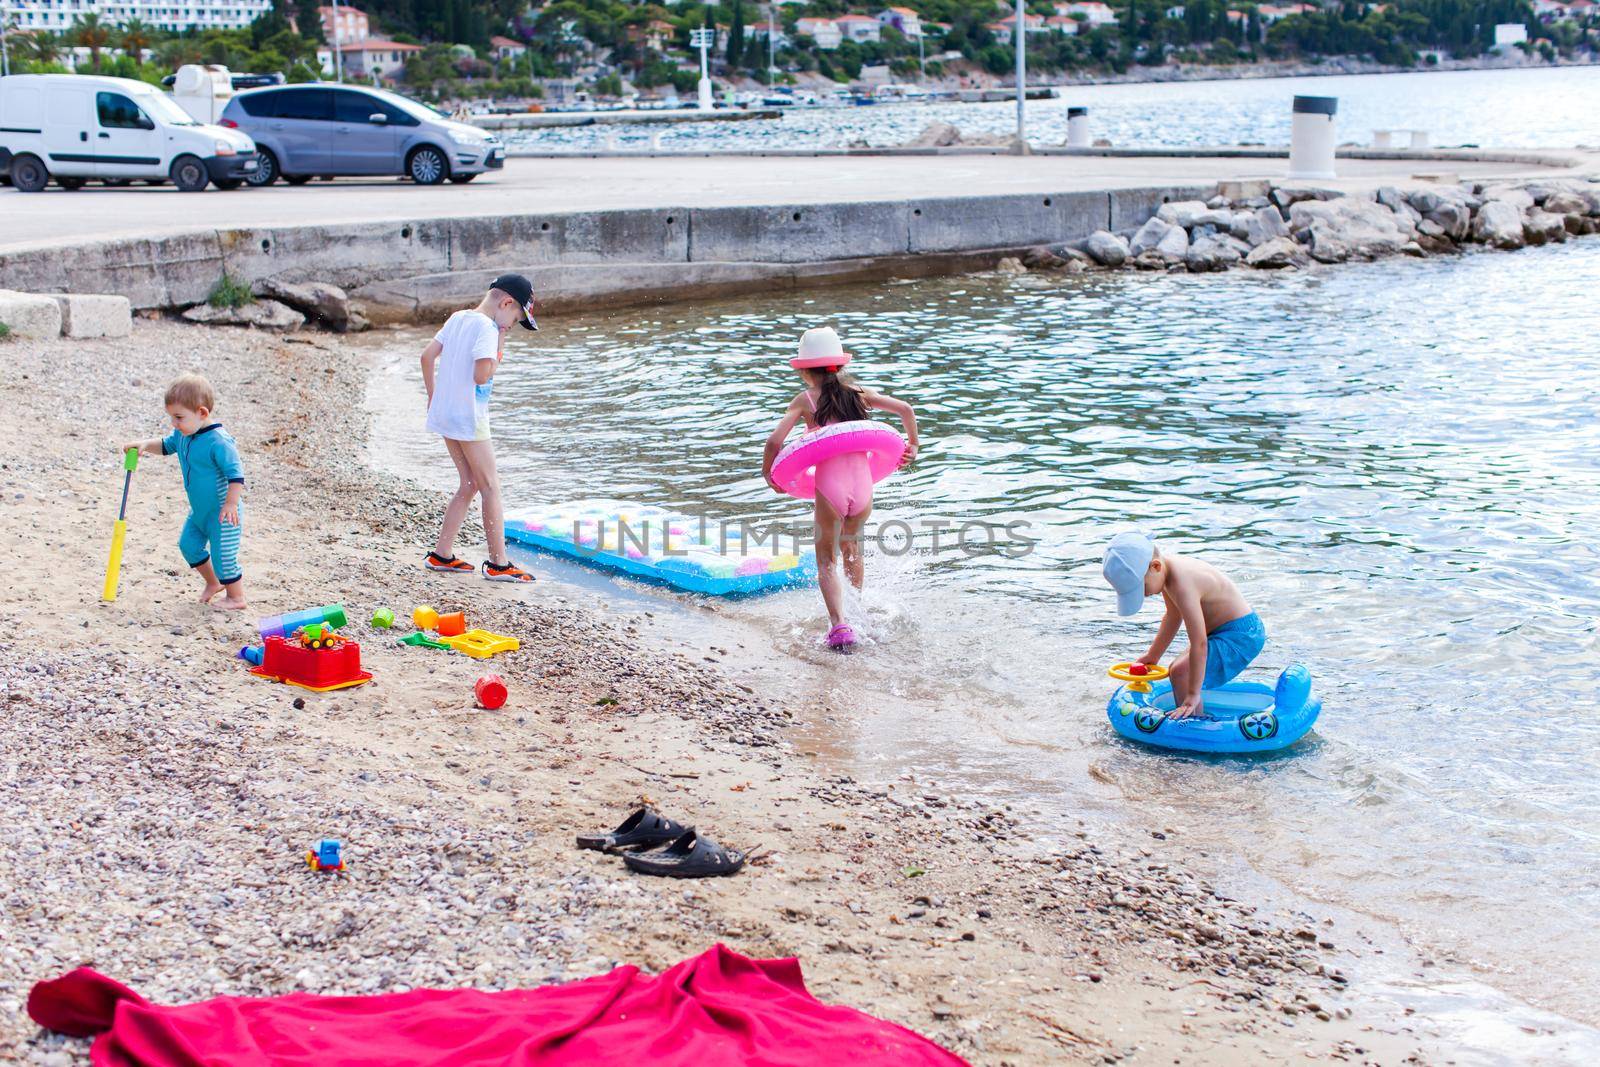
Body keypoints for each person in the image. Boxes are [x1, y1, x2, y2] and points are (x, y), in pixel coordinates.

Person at [761, 327, 918, 650]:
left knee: (826, 560)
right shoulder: (859, 393)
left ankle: (840, 625)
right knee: (852, 550)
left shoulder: (805, 400)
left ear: (804, 370)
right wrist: (912, 445)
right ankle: (858, 614)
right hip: (863, 488)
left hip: (830, 489)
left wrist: (770, 475)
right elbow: (905, 409)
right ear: (839, 365)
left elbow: (775, 441)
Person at [420, 273, 538, 583]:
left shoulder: (459, 317)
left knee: (469, 483)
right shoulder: (487, 327)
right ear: (506, 302)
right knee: (490, 486)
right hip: (469, 418)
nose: (512, 324)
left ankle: (441, 555)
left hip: (446, 415)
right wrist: (500, 344)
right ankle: (499, 564)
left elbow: (427, 356)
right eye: (515, 316)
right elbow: (482, 375)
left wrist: (433, 396)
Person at [1102, 532, 1265, 719]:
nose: (1144, 595)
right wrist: (1153, 655)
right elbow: (1173, 616)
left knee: (1181, 672)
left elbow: (1200, 643)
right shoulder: (1167, 573)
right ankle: (1194, 717)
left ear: (1155, 566)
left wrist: (1192, 695)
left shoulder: (1182, 583)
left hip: (1241, 635)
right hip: (1225, 631)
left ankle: (1194, 724)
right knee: (1177, 669)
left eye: (1141, 588)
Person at [121, 373, 247, 611]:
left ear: (202, 413)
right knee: (188, 545)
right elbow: (167, 445)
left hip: (223, 512)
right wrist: (145, 445)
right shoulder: (183, 434)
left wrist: (231, 504)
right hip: (200, 510)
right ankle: (213, 583)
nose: (174, 423)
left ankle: (236, 597)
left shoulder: (219, 441)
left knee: (224, 557)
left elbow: (236, 474)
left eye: (179, 417)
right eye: (171, 417)